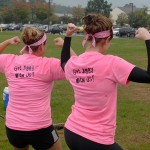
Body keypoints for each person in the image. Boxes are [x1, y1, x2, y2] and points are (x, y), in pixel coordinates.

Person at [59, 14, 150, 150]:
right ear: (107, 39)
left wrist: (68, 37)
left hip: (72, 132)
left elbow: (63, 62)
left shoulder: (73, 63)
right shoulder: (111, 63)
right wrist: (148, 39)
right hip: (96, 138)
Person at [0, 26, 68, 150]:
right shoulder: (49, 64)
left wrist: (8, 41)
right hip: (40, 128)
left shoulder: (9, 60)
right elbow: (76, 67)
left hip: (13, 128)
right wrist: (65, 45)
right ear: (41, 46)